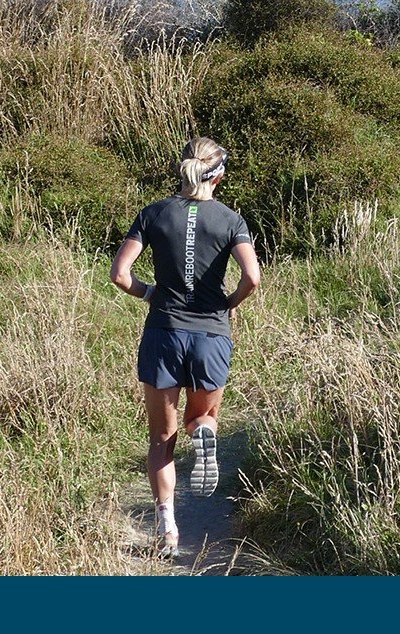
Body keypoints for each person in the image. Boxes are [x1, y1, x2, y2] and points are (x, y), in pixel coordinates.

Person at [109, 137, 261, 557]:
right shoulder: (231, 220)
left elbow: (120, 274)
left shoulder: (154, 213)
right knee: (202, 416)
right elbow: (253, 277)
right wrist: (228, 303)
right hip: (211, 333)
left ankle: (168, 529)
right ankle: (205, 435)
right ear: (220, 175)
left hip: (163, 331)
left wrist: (150, 293)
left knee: (161, 440)